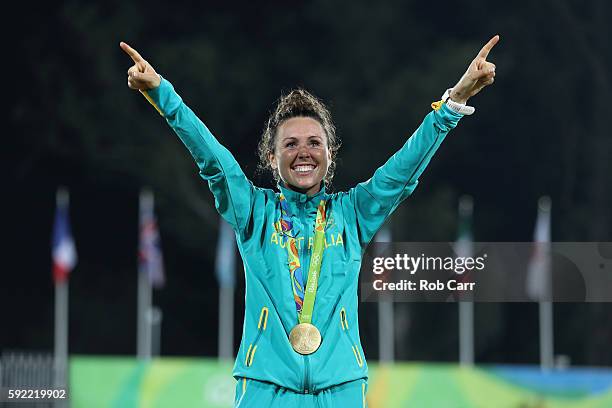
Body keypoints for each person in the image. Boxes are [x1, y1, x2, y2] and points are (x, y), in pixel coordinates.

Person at [121, 34, 499, 407]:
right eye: (290, 144)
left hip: (341, 390)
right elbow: (213, 161)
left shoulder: (352, 214)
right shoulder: (254, 212)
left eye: (314, 142)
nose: (303, 152)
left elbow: (403, 171)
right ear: (272, 157)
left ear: (330, 155)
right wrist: (161, 94)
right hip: (265, 390)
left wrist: (454, 103)